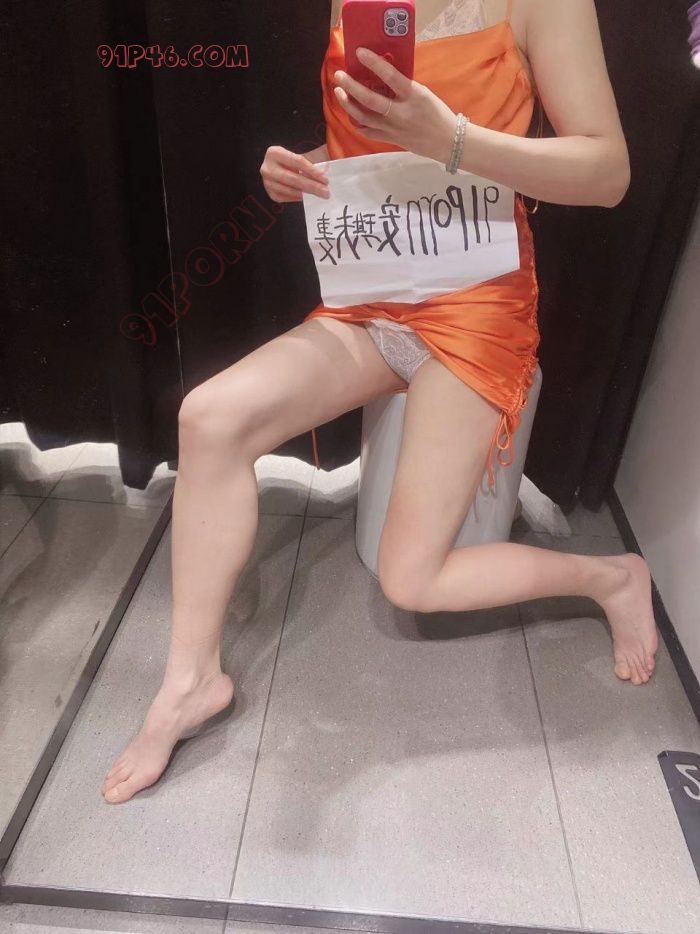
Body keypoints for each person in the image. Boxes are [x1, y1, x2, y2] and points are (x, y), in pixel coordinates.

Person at [102, 0, 657, 806]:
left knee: (412, 580)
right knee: (209, 419)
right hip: (374, 287)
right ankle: (190, 682)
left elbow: (608, 172)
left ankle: (611, 578)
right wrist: (306, 169)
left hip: (476, 304)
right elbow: (376, 150)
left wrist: (454, 139)